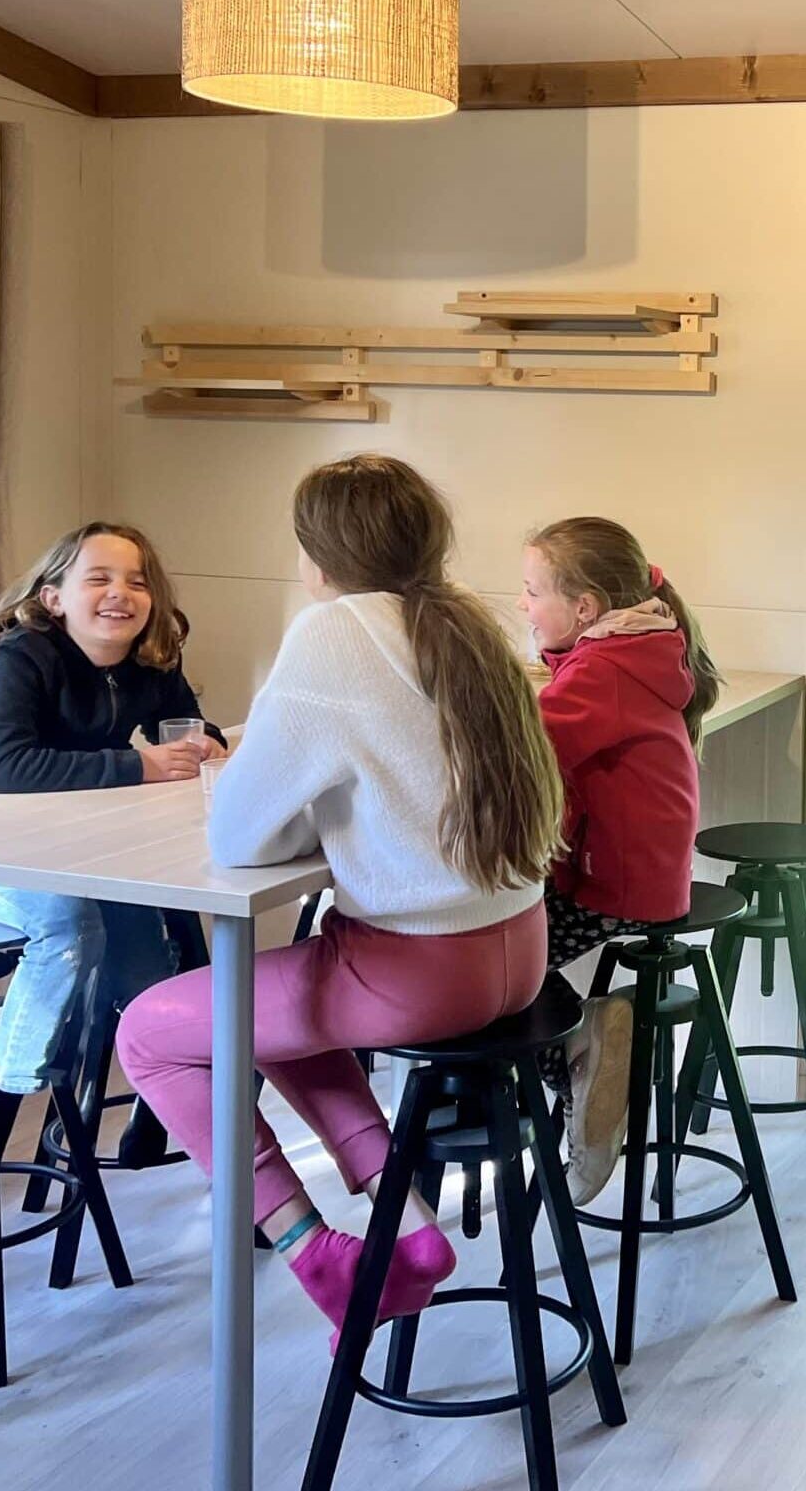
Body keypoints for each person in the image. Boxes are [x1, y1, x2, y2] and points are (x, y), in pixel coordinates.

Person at [117, 454, 561, 1344]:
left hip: (420, 974)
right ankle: (410, 1226)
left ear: (318, 557)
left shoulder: (334, 634)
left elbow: (239, 836)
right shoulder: (469, 628)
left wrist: (301, 810)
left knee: (148, 1034)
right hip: (518, 953)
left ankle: (309, 1245)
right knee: (265, 1005)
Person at [0, 522, 222, 1201]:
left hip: (84, 854)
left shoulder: (151, 660)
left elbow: (190, 724)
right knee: (69, 926)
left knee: (154, 977)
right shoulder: (25, 656)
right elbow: (9, 769)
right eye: (98, 578)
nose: (120, 593)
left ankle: (169, 1116)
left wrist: (206, 743)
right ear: (54, 597)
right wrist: (138, 765)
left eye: (136, 581)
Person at [518, 516, 720, 1202]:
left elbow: (527, 754)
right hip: (644, 876)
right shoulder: (631, 652)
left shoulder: (601, 671)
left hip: (619, 885)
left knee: (489, 961)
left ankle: (580, 1052)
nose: (521, 604)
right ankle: (576, 1052)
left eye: (532, 591)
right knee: (493, 952)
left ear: (585, 608)